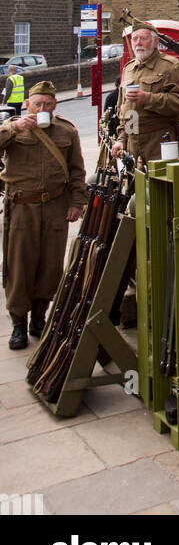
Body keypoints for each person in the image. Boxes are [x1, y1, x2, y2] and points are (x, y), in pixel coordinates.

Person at [0, 81, 86, 349]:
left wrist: (77, 203)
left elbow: (77, 171)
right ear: (28, 104)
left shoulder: (66, 131)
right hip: (22, 208)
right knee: (19, 267)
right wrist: (16, 127)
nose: (42, 108)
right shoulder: (12, 128)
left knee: (50, 265)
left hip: (55, 207)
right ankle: (18, 324)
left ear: (55, 105)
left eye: (47, 104)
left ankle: (40, 317)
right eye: (37, 104)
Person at [110, 26, 179, 165]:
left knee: (161, 185)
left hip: (160, 142)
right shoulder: (128, 68)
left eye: (143, 38)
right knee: (134, 186)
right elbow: (126, 111)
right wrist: (122, 140)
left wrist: (148, 98)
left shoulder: (171, 66)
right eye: (134, 39)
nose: (138, 43)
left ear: (155, 42)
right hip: (132, 145)